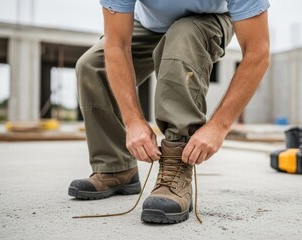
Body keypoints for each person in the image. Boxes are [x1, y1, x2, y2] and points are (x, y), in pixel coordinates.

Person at [69, 0, 270, 224]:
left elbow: (257, 52)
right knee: (93, 66)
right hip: (150, 25)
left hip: (208, 18)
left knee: (182, 38)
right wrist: (133, 121)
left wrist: (218, 126)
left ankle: (176, 169)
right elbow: (116, 45)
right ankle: (115, 168)